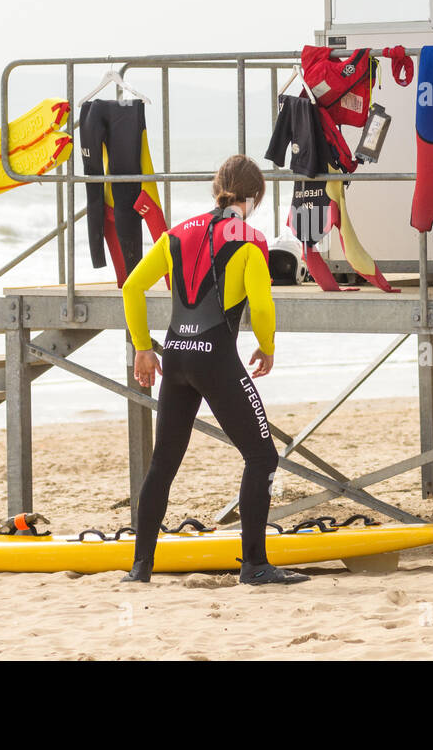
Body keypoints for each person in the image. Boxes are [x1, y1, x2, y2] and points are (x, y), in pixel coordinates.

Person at [120, 154, 309, 586]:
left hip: (177, 358)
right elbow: (261, 305)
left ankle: (140, 567)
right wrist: (267, 346)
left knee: (163, 464)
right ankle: (255, 566)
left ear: (215, 189)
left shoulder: (176, 234)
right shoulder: (250, 240)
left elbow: (131, 287)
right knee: (261, 456)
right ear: (255, 196)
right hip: (216, 359)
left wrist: (143, 348)